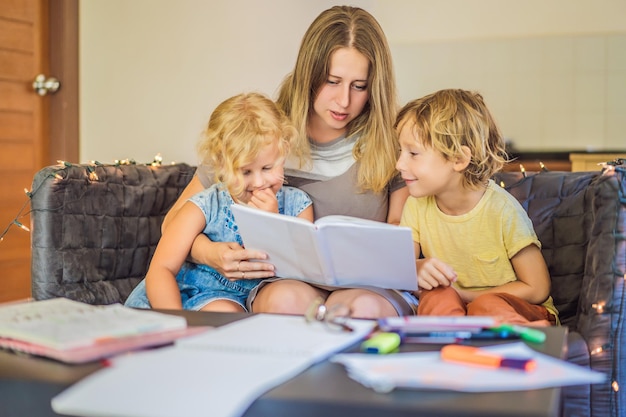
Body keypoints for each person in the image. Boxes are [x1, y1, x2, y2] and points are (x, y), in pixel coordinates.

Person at [161, 6, 414, 318]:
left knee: (359, 309)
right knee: (285, 302)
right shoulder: (262, 132)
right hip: (283, 286)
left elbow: (403, 232)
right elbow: (172, 224)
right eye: (332, 81)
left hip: (366, 287)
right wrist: (210, 253)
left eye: (359, 86)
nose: (344, 101)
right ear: (309, 74)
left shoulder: (393, 143)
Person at [124, 92, 313, 312]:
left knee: (229, 314)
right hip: (184, 297)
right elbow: (161, 269)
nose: (259, 182)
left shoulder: (298, 206)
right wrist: (176, 319)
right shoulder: (205, 205)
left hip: (237, 303)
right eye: (246, 171)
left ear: (284, 152)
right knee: (222, 314)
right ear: (221, 165)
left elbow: (304, 270)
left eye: (267, 168)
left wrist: (273, 223)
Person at [395, 88, 559, 326]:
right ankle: (450, 346)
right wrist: (416, 268)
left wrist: (470, 298)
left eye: (413, 153)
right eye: (401, 151)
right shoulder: (416, 206)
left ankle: (529, 337)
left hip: (522, 309)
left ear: (458, 159)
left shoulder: (502, 210)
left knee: (485, 305)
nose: (399, 163)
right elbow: (400, 272)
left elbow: (537, 288)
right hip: (460, 310)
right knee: (436, 295)